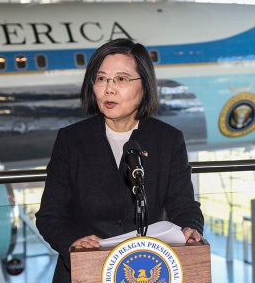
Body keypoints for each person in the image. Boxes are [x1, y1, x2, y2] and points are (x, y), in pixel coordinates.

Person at [35, 38, 204, 282]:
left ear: (144, 85)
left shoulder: (168, 140)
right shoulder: (71, 140)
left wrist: (190, 228)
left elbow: (184, 206)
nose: (108, 89)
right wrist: (73, 242)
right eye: (101, 78)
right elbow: (50, 216)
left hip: (147, 268)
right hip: (86, 271)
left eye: (121, 79)